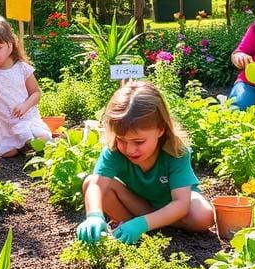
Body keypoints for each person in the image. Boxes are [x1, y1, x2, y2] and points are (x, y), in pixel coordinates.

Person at [76, 80, 214, 245]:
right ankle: (130, 228)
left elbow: (181, 204)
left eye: (139, 142)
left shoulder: (175, 152)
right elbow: (97, 186)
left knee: (203, 216)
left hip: (172, 206)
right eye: (122, 140)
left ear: (160, 129)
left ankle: (146, 225)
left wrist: (141, 223)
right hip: (139, 205)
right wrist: (94, 216)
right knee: (90, 182)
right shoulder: (114, 150)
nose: (129, 149)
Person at [0, 15, 51, 158]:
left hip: (26, 118)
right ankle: (23, 148)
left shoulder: (22, 68)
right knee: (6, 153)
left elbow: (36, 93)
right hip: (4, 124)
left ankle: (29, 143)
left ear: (10, 45)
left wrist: (25, 106)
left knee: (43, 139)